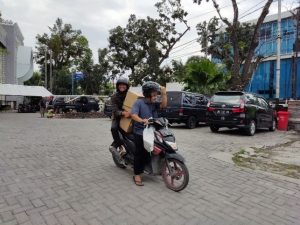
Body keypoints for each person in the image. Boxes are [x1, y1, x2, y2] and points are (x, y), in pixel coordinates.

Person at [130, 81, 167, 186]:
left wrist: (164, 93)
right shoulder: (139, 102)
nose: (156, 96)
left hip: (152, 131)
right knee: (140, 153)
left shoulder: (153, 104)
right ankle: (137, 174)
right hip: (140, 132)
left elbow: (163, 105)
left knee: (155, 150)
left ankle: (153, 167)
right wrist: (142, 120)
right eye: (154, 94)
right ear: (147, 94)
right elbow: (133, 115)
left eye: (157, 94)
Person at [109, 77, 131, 156]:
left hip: (130, 116)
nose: (122, 86)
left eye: (124, 85)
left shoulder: (130, 95)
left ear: (127, 86)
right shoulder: (114, 96)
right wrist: (123, 113)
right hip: (118, 116)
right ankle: (120, 146)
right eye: (120, 85)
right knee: (114, 128)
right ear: (117, 86)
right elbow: (114, 110)